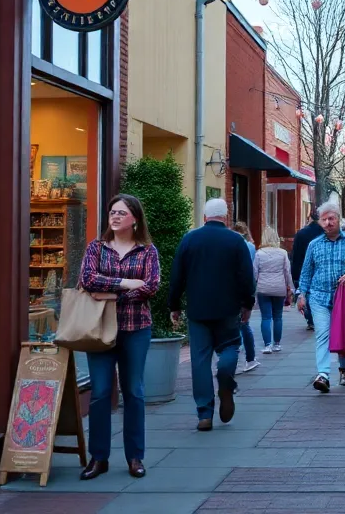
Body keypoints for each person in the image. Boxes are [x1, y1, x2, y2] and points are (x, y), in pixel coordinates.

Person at [78, 194, 161, 480]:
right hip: (99, 329)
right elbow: (87, 279)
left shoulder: (147, 251)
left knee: (134, 392)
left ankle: (135, 457)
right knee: (100, 393)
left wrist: (108, 293)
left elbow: (151, 287)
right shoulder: (96, 248)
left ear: (134, 219)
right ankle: (98, 458)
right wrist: (124, 284)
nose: (114, 217)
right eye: (112, 212)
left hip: (135, 329)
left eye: (121, 213)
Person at [170, 198, 254, 432]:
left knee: (199, 360)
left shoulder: (189, 239)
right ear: (226, 216)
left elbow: (177, 275)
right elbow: (247, 277)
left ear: (205, 217)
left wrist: (174, 305)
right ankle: (225, 377)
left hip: (198, 310)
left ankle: (204, 414)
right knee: (230, 347)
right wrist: (247, 304)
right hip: (228, 308)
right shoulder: (236, 241)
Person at [297, 200, 345, 392]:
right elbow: (306, 272)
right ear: (320, 222)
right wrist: (301, 294)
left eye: (331, 218)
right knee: (322, 334)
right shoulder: (314, 245)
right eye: (324, 219)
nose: (328, 222)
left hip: (343, 298)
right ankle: (323, 374)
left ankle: (344, 367)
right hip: (319, 297)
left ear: (338, 219)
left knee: (344, 335)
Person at [253, 226, 292, 353]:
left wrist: (254, 285)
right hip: (279, 288)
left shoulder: (259, 253)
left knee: (265, 317)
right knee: (278, 316)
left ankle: (267, 345)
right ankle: (277, 344)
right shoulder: (283, 253)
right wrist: (290, 287)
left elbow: (254, 272)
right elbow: (287, 272)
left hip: (263, 288)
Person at [232, 222, 260, 372]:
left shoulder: (229, 245)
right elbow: (252, 270)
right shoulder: (250, 246)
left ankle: (236, 359)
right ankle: (250, 358)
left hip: (232, 290)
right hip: (246, 287)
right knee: (244, 324)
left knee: (233, 326)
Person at [289, 211, 322, 331]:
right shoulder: (325, 232)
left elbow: (296, 255)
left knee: (307, 294)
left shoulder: (301, 233)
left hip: (304, 268)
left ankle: (310, 319)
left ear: (310, 218)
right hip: (320, 268)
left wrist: (295, 274)